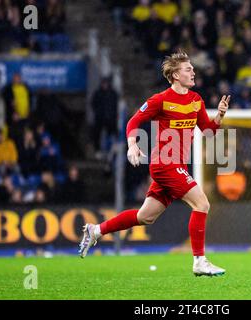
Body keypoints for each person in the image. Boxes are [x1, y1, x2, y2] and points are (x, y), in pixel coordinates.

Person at [79, 51, 230, 276]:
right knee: (202, 204)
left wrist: (219, 116)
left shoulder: (196, 100)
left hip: (177, 166)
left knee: (145, 217)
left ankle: (96, 230)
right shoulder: (160, 100)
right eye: (188, 69)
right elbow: (134, 121)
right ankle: (199, 261)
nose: (193, 72)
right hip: (165, 164)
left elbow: (207, 132)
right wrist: (132, 145)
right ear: (176, 75)